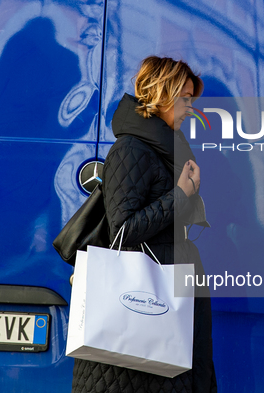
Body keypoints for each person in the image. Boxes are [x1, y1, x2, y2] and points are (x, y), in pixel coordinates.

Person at [71, 56, 217, 393]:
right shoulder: (131, 149)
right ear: (161, 94)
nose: (190, 108)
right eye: (184, 98)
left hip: (173, 282)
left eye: (192, 100)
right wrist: (180, 195)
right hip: (146, 295)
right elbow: (124, 228)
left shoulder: (168, 148)